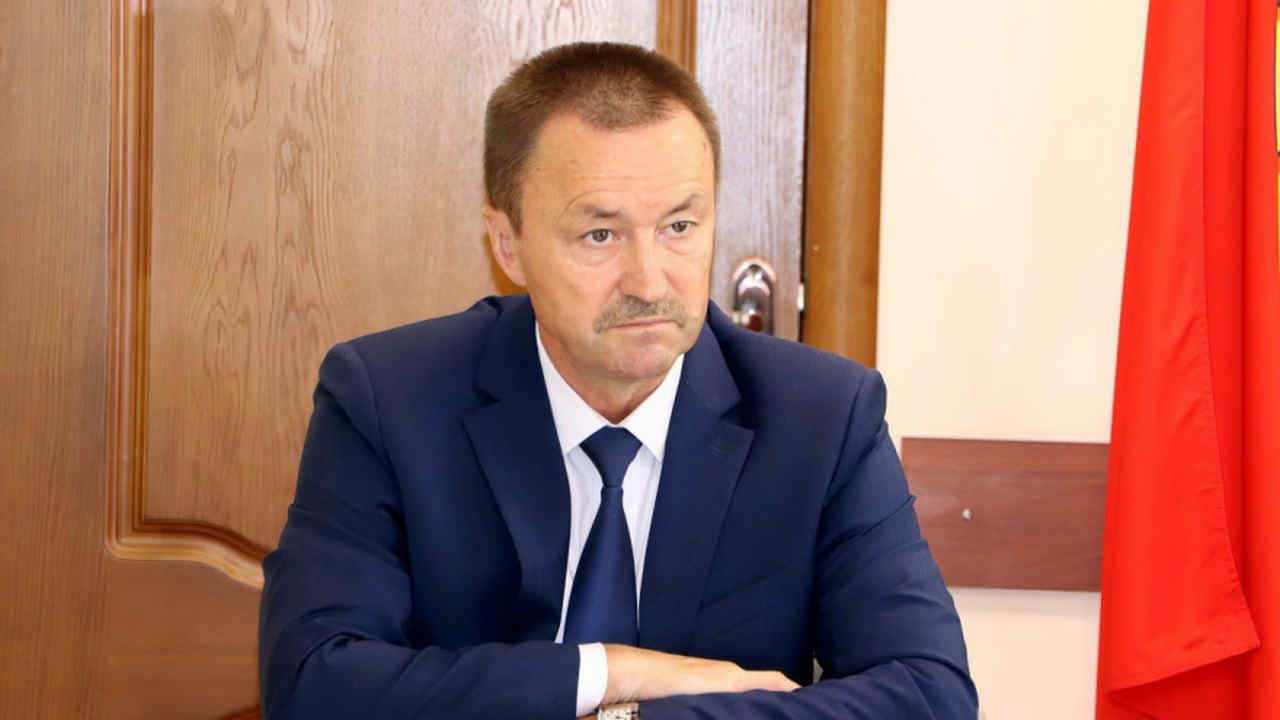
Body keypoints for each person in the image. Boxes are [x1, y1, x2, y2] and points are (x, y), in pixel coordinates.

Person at [258, 41, 977, 720]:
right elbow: (312, 682)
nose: (649, 282)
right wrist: (611, 672)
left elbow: (929, 693)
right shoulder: (388, 399)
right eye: (600, 234)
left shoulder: (821, 417)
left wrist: (631, 717)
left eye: (679, 227)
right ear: (507, 243)